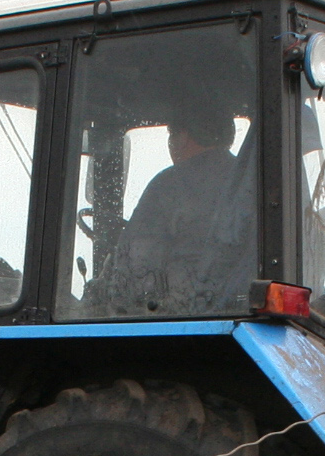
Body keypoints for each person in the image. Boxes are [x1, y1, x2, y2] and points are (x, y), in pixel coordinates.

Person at [96, 104, 253, 316]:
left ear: (182, 137)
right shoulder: (248, 184)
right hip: (235, 307)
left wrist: (105, 294)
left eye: (172, 134)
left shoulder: (169, 185)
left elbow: (135, 264)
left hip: (180, 312)